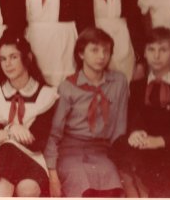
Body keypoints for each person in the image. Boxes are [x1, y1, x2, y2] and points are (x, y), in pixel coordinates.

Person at [112, 27, 170, 197]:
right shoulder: (137, 86)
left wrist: (158, 141)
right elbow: (134, 116)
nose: (156, 56)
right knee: (120, 149)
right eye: (151, 49)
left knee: (162, 184)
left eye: (163, 50)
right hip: (144, 146)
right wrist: (136, 131)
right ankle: (135, 188)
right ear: (144, 53)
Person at [44, 28, 129, 198]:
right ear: (81, 54)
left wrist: (120, 163)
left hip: (101, 152)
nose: (101, 56)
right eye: (94, 50)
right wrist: (52, 173)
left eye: (106, 51)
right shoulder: (68, 87)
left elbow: (120, 127)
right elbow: (54, 134)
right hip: (69, 152)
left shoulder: (118, 82)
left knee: (111, 184)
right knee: (83, 185)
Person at [0, 32, 58, 197]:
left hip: (32, 161)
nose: (8, 64)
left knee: (27, 187)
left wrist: (6, 133)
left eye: (13, 57)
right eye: (3, 59)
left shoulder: (46, 94)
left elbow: (38, 141)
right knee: (15, 174)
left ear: (27, 58)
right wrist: (12, 129)